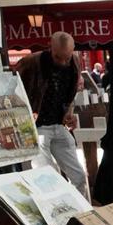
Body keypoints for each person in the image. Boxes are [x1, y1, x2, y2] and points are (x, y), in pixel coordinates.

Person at [16, 32, 87, 200]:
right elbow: (12, 88)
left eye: (66, 58)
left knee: (79, 177)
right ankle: (57, 215)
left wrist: (69, 113)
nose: (63, 62)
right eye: (58, 57)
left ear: (73, 51)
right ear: (50, 47)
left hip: (57, 125)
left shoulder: (74, 62)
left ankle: (76, 216)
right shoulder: (31, 62)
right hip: (37, 127)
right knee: (48, 179)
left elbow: (68, 93)